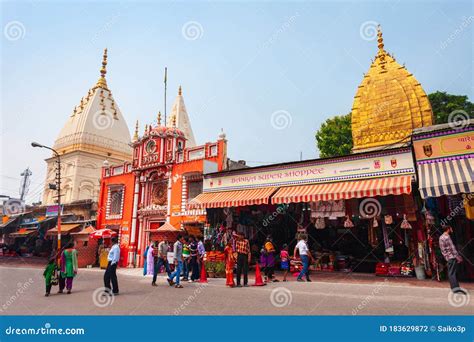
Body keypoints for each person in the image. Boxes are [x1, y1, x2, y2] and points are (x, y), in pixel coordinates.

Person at [439, 226, 466, 294]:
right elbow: (452, 248)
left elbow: (443, 250)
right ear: (448, 229)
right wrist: (458, 257)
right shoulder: (447, 237)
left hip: (448, 257)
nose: (452, 229)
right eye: (451, 228)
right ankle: (456, 289)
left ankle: (454, 288)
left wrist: (446, 257)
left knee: (451, 273)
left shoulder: (441, 237)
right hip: (452, 257)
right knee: (452, 273)